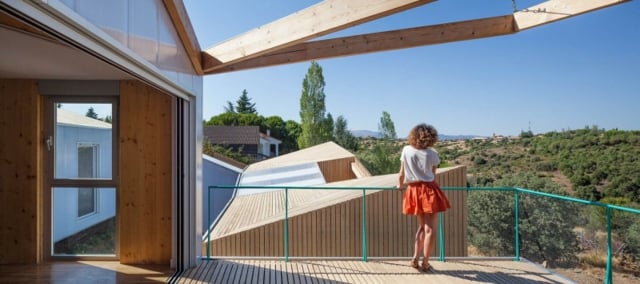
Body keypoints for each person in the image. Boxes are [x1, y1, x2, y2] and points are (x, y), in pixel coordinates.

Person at [397, 123, 450, 272]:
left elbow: (401, 174)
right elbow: (433, 173)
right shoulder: (432, 153)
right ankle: (425, 262)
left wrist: (399, 186)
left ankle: (415, 258)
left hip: (413, 190)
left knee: (421, 226)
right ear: (431, 137)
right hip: (428, 190)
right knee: (430, 228)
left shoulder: (406, 150)